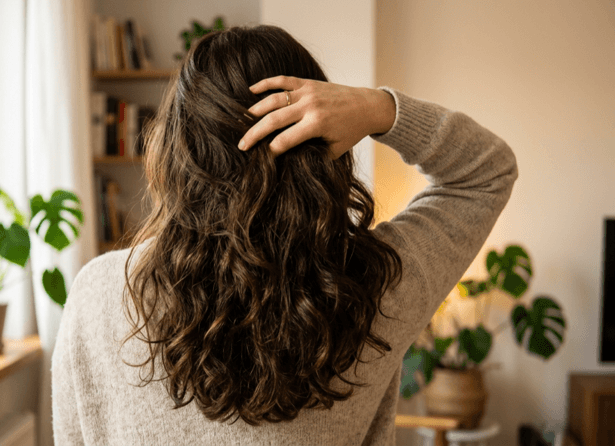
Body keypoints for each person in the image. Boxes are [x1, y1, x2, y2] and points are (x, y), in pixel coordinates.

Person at [52, 24, 517, 445]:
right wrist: (378, 108)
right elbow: (487, 172)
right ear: (323, 148)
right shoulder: (374, 289)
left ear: (179, 151)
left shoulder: (99, 294)